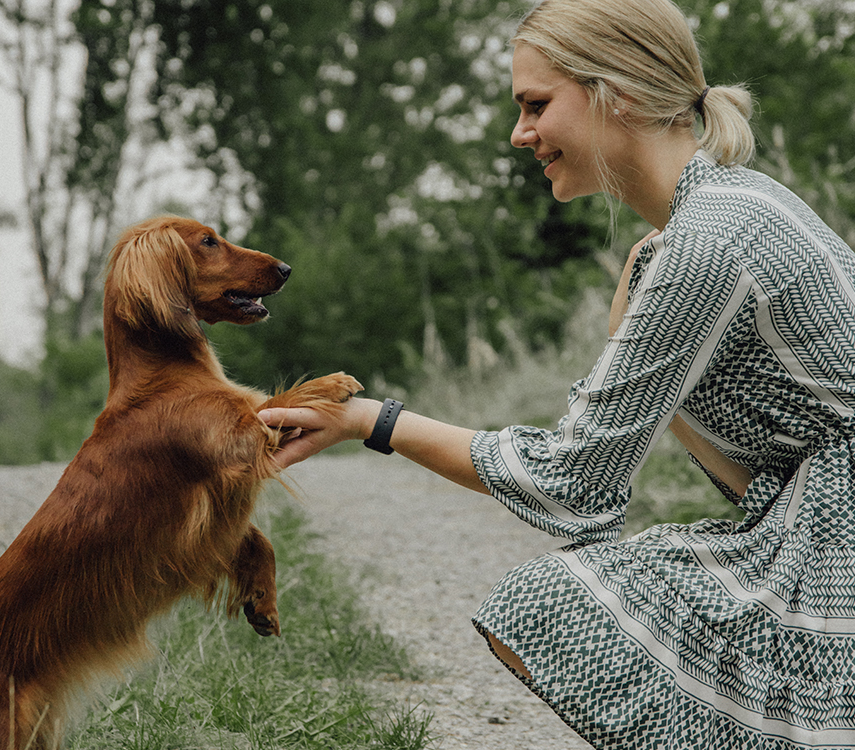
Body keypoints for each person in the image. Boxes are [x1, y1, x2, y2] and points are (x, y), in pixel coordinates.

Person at [260, 0, 855, 746]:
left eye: (536, 104)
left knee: (548, 602)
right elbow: (755, 482)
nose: (520, 134)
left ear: (620, 92)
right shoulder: (710, 225)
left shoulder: (710, 240)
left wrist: (367, 420)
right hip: (812, 537)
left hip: (835, 552)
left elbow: (573, 485)